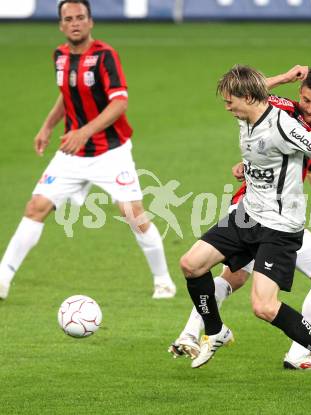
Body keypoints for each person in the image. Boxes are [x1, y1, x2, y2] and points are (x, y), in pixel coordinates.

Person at [169, 66, 311, 371]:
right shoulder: (282, 110)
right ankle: (197, 332)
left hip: (281, 219)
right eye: (305, 99)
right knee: (229, 276)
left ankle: (296, 352)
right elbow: (247, 90)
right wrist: (285, 77)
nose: (309, 107)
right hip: (253, 212)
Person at [0, 0, 176, 300]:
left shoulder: (105, 56)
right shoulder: (60, 56)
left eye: (80, 17)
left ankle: (163, 281)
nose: (75, 23)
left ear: (91, 21)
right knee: (36, 207)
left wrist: (82, 132)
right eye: (68, 19)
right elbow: (66, 96)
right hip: (73, 153)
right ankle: (2, 279)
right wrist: (47, 127)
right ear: (61, 25)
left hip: (111, 151)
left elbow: (119, 102)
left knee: (133, 214)